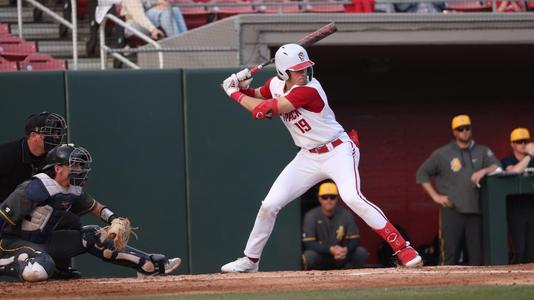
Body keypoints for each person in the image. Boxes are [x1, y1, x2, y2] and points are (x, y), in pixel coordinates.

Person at [219, 43, 422, 273]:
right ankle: (251, 260)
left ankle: (403, 248)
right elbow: (258, 95)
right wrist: (242, 87)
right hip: (307, 156)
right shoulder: (275, 84)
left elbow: (263, 110)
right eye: (297, 69)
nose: (304, 72)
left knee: (352, 197)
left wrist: (232, 92)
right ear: (283, 72)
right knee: (269, 205)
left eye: (305, 67)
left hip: (337, 151)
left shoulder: (310, 89)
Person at [0, 144, 181, 282]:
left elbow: (96, 207)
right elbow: (3, 216)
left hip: (43, 241)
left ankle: (148, 266)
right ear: (58, 168)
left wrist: (114, 219)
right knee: (39, 268)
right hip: (11, 243)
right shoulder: (36, 187)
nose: (79, 170)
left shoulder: (72, 189)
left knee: (93, 235)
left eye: (80, 165)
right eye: (74, 165)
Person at [416, 114, 501, 265]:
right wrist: (436, 196)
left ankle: (476, 287)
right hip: (452, 209)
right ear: (454, 132)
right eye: (460, 129)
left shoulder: (482, 151)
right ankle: (447, 287)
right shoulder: (442, 153)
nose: (464, 132)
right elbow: (422, 173)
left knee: (476, 255)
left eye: (467, 128)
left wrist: (484, 171)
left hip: (475, 209)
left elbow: (497, 166)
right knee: (450, 253)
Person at [0, 112, 67, 201]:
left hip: (36, 208)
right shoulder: (6, 154)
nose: (56, 137)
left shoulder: (55, 159)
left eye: (57, 132)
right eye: (51, 132)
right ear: (33, 135)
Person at [302, 182, 369, 270]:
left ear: (337, 198)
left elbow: (354, 240)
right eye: (325, 197)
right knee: (309, 256)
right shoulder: (311, 215)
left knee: (361, 253)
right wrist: (330, 249)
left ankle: (348, 277)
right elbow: (309, 244)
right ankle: (314, 279)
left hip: (340, 256)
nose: (329, 200)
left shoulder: (345, 214)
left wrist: (345, 250)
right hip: (321, 256)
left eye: (332, 197)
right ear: (319, 199)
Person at [500, 128, 534, 264]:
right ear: (512, 144)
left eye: (526, 141)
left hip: (532, 207)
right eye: (519, 141)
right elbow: (514, 171)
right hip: (516, 211)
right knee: (520, 249)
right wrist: (529, 156)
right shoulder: (508, 160)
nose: (523, 144)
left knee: (532, 250)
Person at [120, 0, 187, 40]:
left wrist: (158, 2)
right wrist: (153, 29)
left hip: (144, 23)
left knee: (175, 9)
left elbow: (149, 2)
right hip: (132, 27)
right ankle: (174, 41)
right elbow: (139, 16)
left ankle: (185, 39)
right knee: (164, 10)